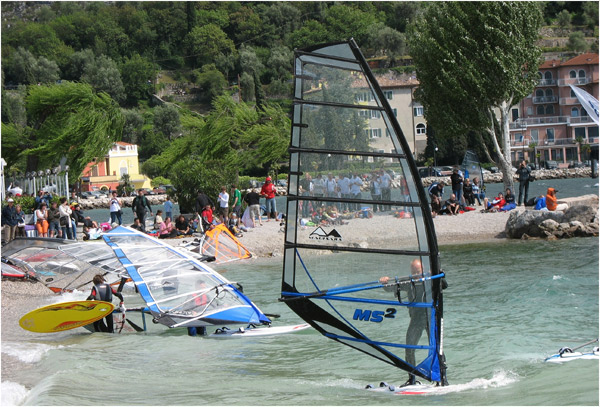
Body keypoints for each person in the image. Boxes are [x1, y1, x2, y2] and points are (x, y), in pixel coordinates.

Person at [379, 259, 430, 387]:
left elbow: (444, 284)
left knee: (436, 347)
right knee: (409, 348)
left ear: (423, 270)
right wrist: (384, 282)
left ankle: (441, 376)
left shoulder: (431, 280)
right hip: (416, 319)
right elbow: (390, 288)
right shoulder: (408, 282)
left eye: (418, 272)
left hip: (431, 318)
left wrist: (439, 274)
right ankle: (412, 379)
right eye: (413, 272)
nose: (416, 275)